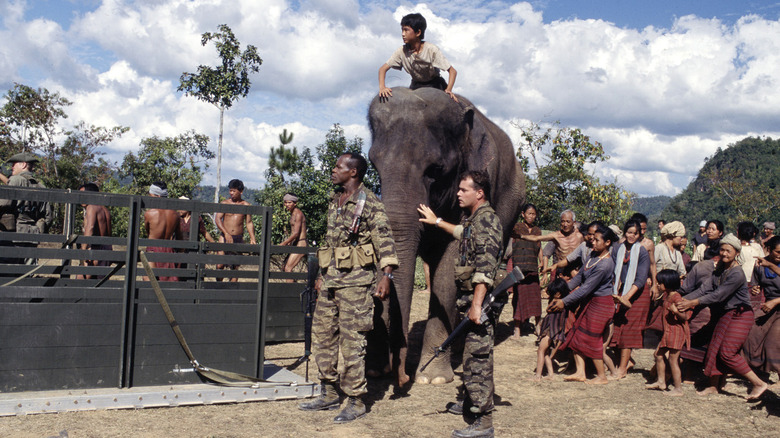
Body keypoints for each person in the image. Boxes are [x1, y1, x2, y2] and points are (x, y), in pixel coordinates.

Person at [299, 153, 397, 424]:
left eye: (338, 167)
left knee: (352, 342)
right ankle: (329, 391)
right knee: (322, 336)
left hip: (356, 284)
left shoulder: (371, 203)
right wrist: (321, 275)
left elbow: (385, 240)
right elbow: (332, 242)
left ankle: (355, 399)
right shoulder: (336, 200)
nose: (332, 170)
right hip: (330, 282)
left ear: (353, 172)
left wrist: (386, 275)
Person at [418, 170, 502, 438]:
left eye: (464, 190)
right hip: (470, 303)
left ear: (479, 193)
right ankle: (471, 403)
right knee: (470, 357)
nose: (458, 193)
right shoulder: (475, 221)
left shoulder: (487, 221)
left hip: (479, 305)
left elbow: (485, 271)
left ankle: (483, 422)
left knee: (477, 360)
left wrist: (477, 306)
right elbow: (461, 232)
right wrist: (437, 221)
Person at [677, 234, 768, 400]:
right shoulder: (719, 270)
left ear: (737, 253)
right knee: (715, 348)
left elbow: (718, 295)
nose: (725, 253)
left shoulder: (737, 273)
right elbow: (705, 289)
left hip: (740, 314)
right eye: (723, 250)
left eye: (729, 251)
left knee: (727, 353)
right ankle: (713, 386)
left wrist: (692, 303)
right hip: (726, 314)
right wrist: (684, 299)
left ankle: (758, 383)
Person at [548, 224, 618, 385]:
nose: (593, 243)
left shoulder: (605, 264)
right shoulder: (593, 256)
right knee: (577, 336)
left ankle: (602, 376)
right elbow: (579, 278)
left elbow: (586, 288)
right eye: (592, 239)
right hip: (591, 302)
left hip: (601, 305)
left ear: (607, 243)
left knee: (592, 339)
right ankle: (580, 372)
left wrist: (563, 302)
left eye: (597, 240)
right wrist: (562, 293)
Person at [378, 13, 458, 102]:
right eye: (402, 30)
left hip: (435, 85)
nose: (403, 34)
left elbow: (452, 71)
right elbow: (382, 69)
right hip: (416, 86)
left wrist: (448, 90)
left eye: (406, 30)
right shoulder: (401, 51)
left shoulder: (431, 49)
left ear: (418, 32)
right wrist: (382, 87)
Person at [609, 220, 651, 380]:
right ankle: (628, 361)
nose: (632, 236)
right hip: (621, 293)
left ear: (640, 234)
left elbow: (640, 279)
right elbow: (614, 272)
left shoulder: (642, 252)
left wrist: (626, 298)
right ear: (624, 233)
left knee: (628, 330)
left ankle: (622, 369)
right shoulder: (618, 249)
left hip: (638, 295)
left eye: (635, 233)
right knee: (617, 327)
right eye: (629, 232)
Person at [646, 269, 691, 396]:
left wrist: (676, 311)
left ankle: (678, 388)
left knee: (673, 360)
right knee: (658, 355)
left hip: (676, 332)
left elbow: (685, 316)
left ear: (668, 283)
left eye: (660, 283)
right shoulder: (668, 295)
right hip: (668, 331)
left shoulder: (676, 297)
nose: (658, 285)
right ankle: (661, 381)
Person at [743, 236, 780, 384]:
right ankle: (758, 371)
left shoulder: (768, 265)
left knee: (773, 343)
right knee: (752, 333)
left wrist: (776, 301)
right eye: (777, 252)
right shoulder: (759, 265)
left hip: (777, 305)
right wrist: (756, 289)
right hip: (769, 307)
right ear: (769, 250)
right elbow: (756, 285)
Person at [509, 203, 542, 338]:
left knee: (536, 299)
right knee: (519, 298)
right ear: (523, 214)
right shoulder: (516, 228)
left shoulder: (537, 231)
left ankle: (538, 325)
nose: (531, 216)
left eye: (533, 214)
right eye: (529, 213)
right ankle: (517, 328)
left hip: (533, 268)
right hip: (520, 269)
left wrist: (543, 264)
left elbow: (539, 249)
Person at [520, 209, 583, 279]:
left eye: (568, 222)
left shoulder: (580, 236)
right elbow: (537, 238)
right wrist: (521, 236)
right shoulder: (556, 236)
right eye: (563, 221)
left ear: (573, 222)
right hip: (560, 271)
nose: (565, 225)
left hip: (575, 272)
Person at [0, 152, 53, 235]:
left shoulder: (15, 180)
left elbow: (3, 203)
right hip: (33, 234)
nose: (12, 167)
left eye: (14, 164)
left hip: (13, 233)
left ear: (23, 165)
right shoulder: (41, 186)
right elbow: (48, 216)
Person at [215, 179, 256, 282]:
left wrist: (252, 238)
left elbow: (249, 222)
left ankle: (231, 292)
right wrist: (226, 233)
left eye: (234, 191)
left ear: (240, 191)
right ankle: (218, 288)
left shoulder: (246, 205)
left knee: (235, 267)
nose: (231, 193)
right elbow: (218, 219)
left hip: (238, 237)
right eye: (230, 191)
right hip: (224, 236)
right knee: (220, 264)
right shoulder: (225, 203)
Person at [530, 278, 570, 381]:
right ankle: (551, 374)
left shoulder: (557, 303)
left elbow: (548, 309)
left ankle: (538, 375)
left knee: (540, 351)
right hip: (551, 330)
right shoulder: (561, 302)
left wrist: (552, 301)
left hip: (550, 330)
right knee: (546, 352)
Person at [143, 182, 181, 281]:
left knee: (149, 283)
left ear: (157, 196)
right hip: (169, 250)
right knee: (168, 283)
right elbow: (179, 236)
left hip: (153, 249)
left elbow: (148, 232)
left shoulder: (149, 214)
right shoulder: (175, 214)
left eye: (150, 195)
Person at [78, 183, 112, 279]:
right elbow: (109, 234)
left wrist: (83, 250)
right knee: (99, 285)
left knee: (80, 282)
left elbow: (90, 228)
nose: (80, 198)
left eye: (82, 195)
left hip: (95, 250)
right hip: (106, 250)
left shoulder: (91, 207)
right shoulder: (105, 209)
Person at [736, 221, 764, 311]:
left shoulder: (738, 249)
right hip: (757, 282)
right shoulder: (757, 247)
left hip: (742, 281)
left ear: (738, 233)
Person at [280, 193, 308, 278]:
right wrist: (290, 242)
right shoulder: (292, 213)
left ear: (295, 203)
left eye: (289, 202)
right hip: (295, 243)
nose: (287, 205)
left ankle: (289, 290)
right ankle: (291, 287)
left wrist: (284, 243)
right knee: (284, 267)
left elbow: (296, 233)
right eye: (285, 202)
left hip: (301, 243)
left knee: (288, 268)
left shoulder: (298, 214)